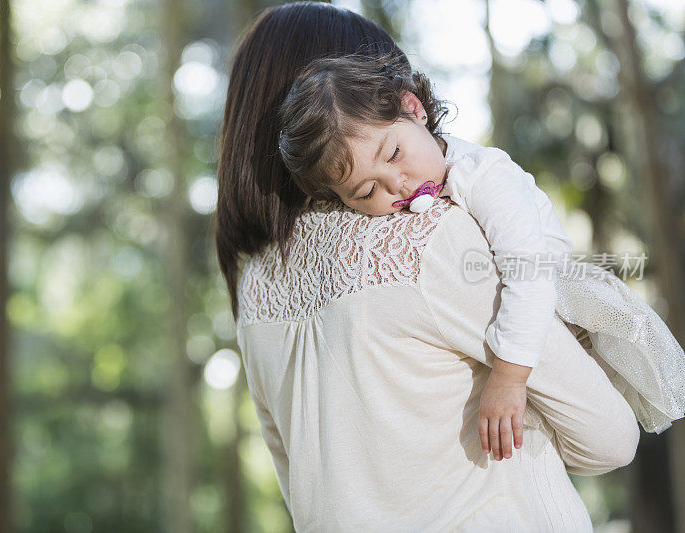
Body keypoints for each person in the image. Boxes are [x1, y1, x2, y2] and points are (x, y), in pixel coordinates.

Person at [216, 2, 640, 530]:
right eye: (367, 186)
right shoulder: (426, 236)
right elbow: (611, 439)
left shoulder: (253, 290)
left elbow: (299, 484)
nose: (395, 188)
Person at [276, 52, 685, 454]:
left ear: (413, 108)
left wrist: (508, 378)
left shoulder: (485, 176)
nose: (397, 186)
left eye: (394, 154)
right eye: (366, 191)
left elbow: (530, 273)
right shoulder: (417, 189)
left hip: (555, 308)